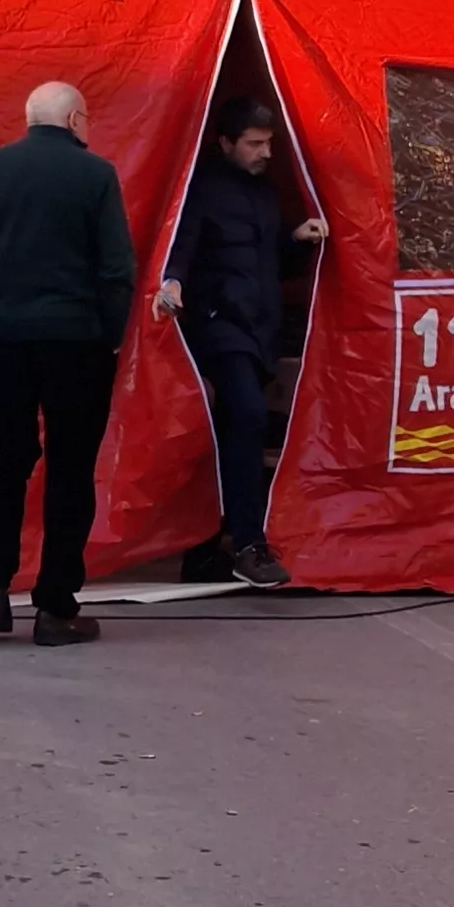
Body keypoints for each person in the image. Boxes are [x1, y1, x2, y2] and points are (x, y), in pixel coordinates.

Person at [0, 81, 137, 646]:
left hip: (5, 340)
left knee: (6, 460)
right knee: (70, 469)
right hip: (77, 341)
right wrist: (111, 339)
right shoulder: (96, 175)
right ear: (76, 120)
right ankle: (55, 607)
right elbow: (117, 271)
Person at [155, 101, 330, 590]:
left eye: (268, 143)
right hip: (219, 325)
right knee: (249, 417)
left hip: (258, 330)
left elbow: (271, 262)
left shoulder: (265, 194)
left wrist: (297, 240)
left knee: (229, 431)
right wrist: (172, 282)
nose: (265, 152)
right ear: (226, 143)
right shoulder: (202, 190)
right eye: (254, 143)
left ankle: (203, 550)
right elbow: (182, 245)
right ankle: (249, 544)